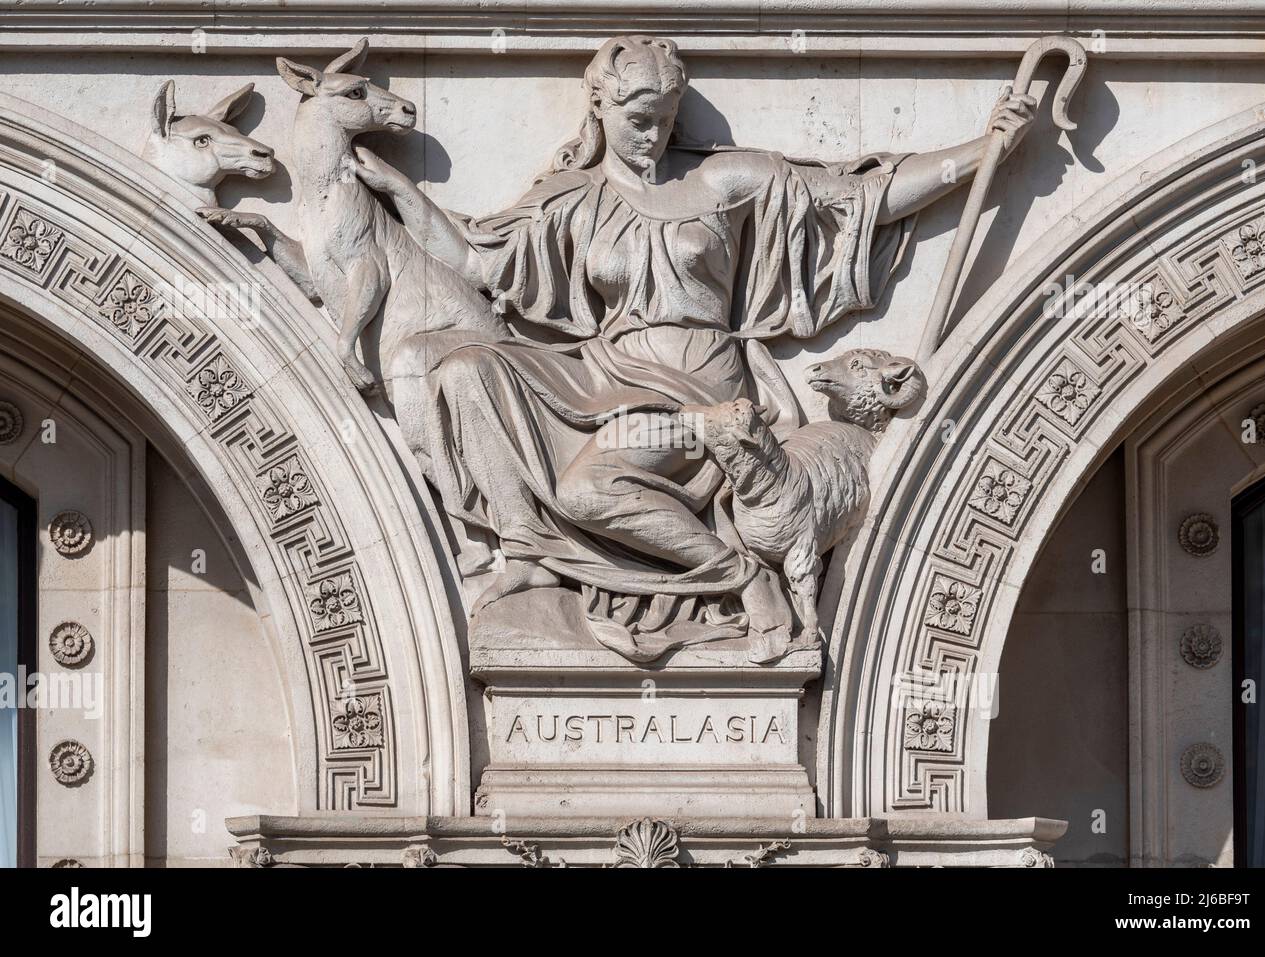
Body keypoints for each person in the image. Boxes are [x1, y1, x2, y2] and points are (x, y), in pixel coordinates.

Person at [353, 35, 1036, 662]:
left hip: (700, 392)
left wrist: (983, 151)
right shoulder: (572, 200)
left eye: (666, 117)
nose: (653, 135)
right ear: (600, 107)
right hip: (603, 375)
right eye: (636, 119)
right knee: (467, 370)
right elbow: (477, 262)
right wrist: (397, 190)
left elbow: (859, 198)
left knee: (588, 491)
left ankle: (743, 578)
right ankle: (528, 547)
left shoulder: (723, 180)